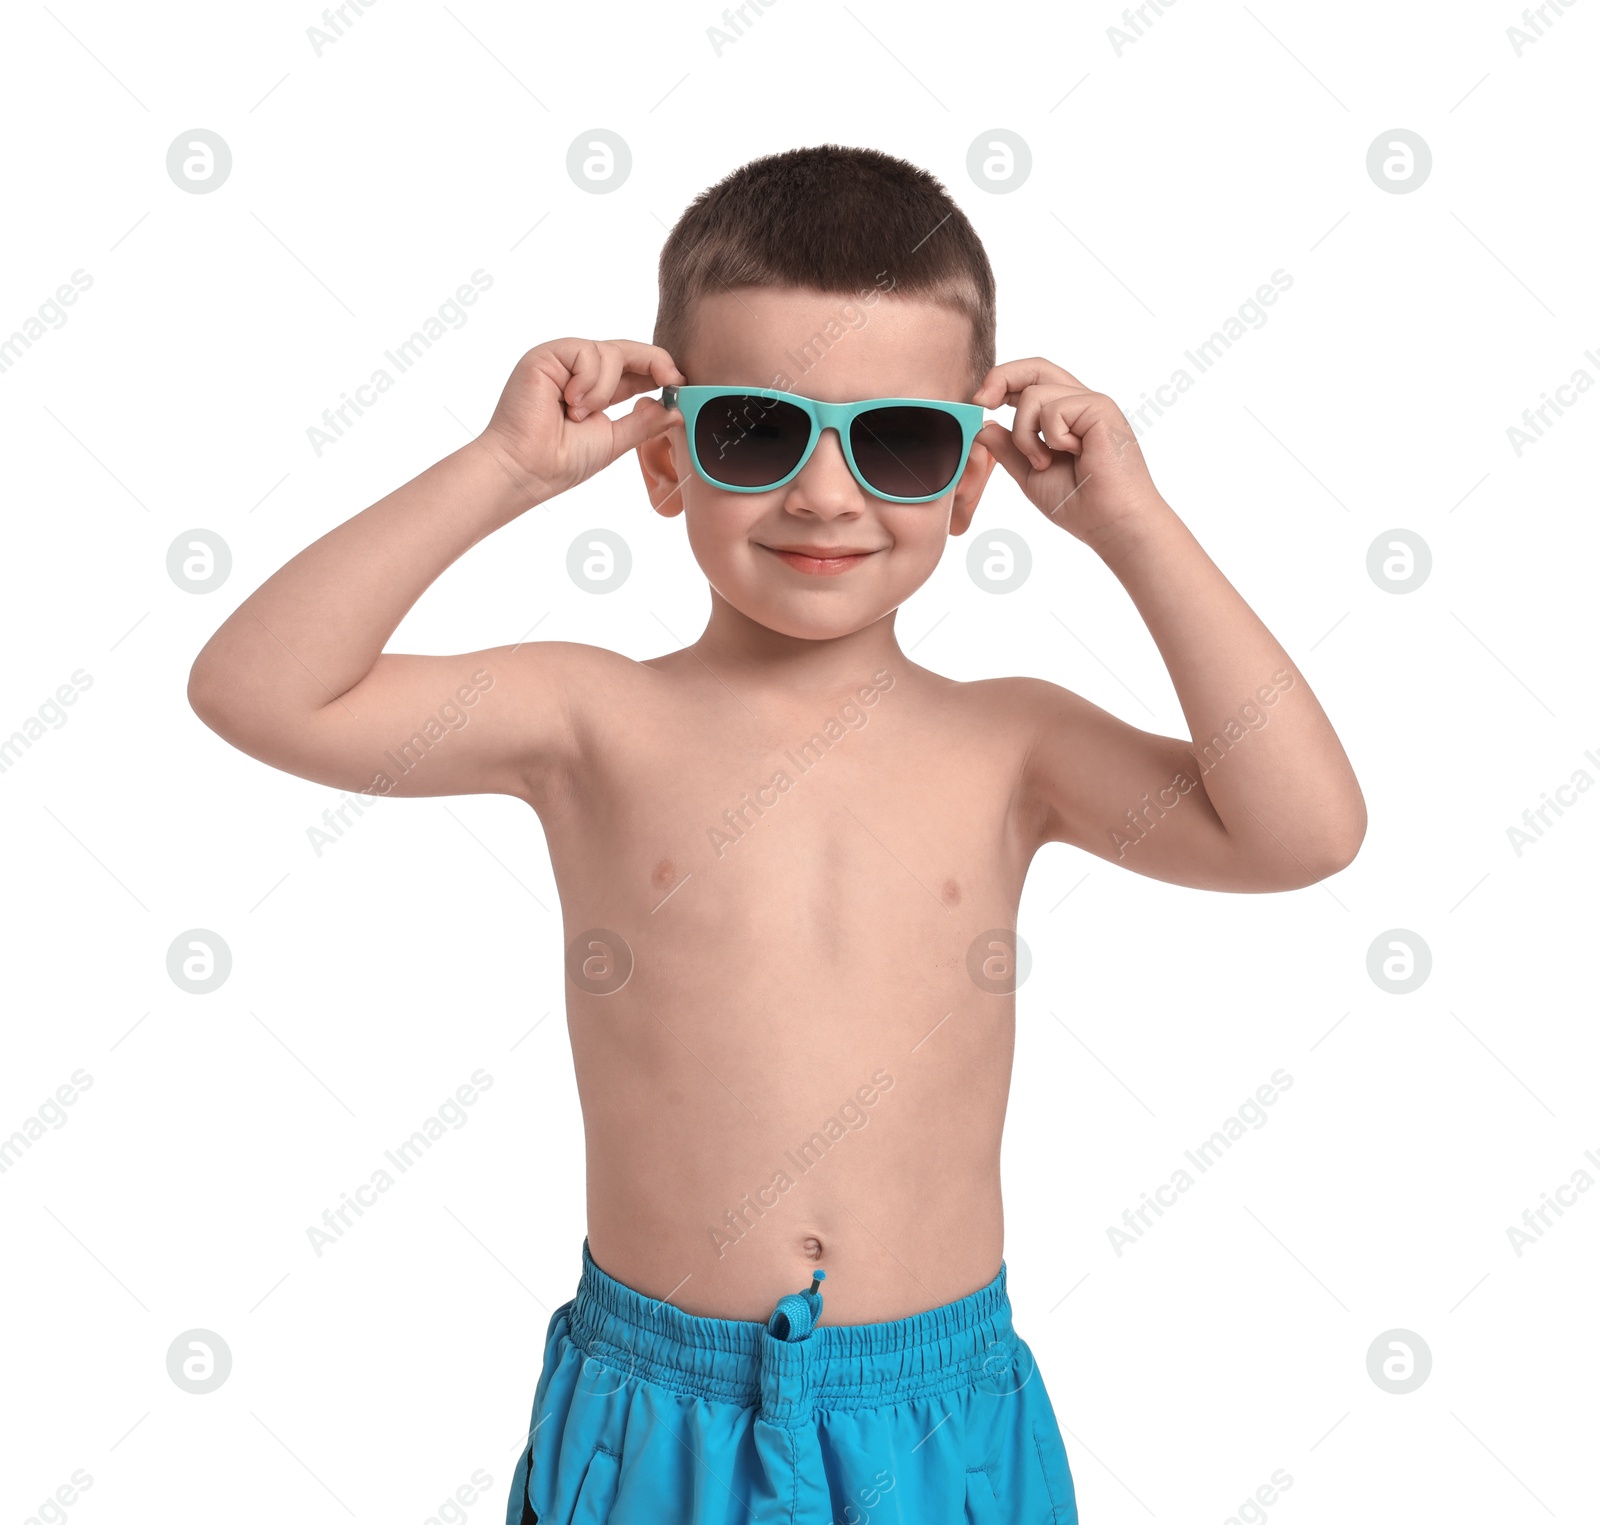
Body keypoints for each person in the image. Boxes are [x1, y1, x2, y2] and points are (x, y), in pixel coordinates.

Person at [188, 143, 1365, 1524]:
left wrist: (1135, 525)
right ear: (668, 459)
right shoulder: (590, 718)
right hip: (655, 1404)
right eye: (758, 429)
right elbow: (257, 687)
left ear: (970, 485)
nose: (823, 494)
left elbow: (1304, 830)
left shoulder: (1013, 744)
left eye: (900, 440)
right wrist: (504, 465)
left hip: (939, 1411)